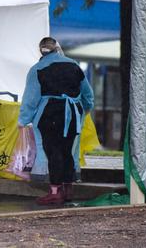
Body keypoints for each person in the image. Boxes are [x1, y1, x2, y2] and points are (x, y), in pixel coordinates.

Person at [18, 37, 94, 205]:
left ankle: (55, 191)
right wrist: (86, 108)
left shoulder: (37, 69)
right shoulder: (74, 65)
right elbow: (87, 93)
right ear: (57, 48)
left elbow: (31, 98)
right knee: (68, 151)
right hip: (73, 113)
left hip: (50, 113)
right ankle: (68, 188)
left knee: (54, 152)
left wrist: (23, 120)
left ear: (41, 51)